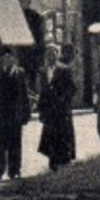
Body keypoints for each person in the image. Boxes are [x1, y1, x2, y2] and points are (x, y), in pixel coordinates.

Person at [0, 47, 32, 180]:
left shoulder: (20, 73)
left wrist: (26, 112)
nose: (6, 59)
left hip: (14, 114)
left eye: (9, 56)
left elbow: (24, 94)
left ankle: (14, 170)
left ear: (14, 59)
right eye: (3, 57)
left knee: (14, 144)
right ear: (0, 59)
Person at [36, 42, 77, 171]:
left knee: (63, 137)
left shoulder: (64, 70)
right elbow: (42, 92)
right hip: (49, 112)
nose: (51, 57)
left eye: (53, 53)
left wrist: (63, 100)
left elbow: (72, 89)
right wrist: (41, 109)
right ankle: (53, 163)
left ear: (57, 55)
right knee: (50, 137)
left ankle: (64, 162)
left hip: (62, 111)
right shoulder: (43, 71)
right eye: (48, 54)